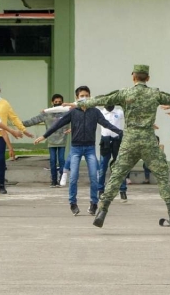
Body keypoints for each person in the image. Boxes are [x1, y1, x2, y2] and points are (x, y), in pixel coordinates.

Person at [67, 65, 170, 228]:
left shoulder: (125, 93)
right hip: (148, 141)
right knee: (162, 175)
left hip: (129, 141)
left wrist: (79, 104)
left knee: (116, 176)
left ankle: (102, 211)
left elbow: (100, 100)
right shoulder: (154, 93)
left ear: (133, 77)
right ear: (148, 78)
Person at [34, 86, 122, 216]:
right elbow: (58, 124)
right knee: (74, 177)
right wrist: (44, 136)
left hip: (90, 148)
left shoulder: (95, 112)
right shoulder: (73, 112)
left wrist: (121, 132)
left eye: (86, 95)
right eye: (81, 96)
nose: (84, 98)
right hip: (76, 148)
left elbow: (106, 124)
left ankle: (93, 203)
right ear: (77, 98)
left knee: (94, 176)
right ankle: (73, 203)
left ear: (90, 96)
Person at [0, 82, 32, 194]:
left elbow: (14, 118)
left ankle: (1, 184)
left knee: (0, 160)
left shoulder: (4, 103)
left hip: (1, 136)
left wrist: (23, 130)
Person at [23, 94, 69, 187]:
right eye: (55, 102)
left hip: (62, 140)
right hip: (51, 140)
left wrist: (71, 129)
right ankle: (53, 180)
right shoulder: (46, 113)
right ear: (52, 102)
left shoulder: (66, 113)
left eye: (59, 102)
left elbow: (77, 121)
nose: (57, 103)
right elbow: (33, 120)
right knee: (52, 160)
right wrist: (18, 123)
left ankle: (61, 180)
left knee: (61, 160)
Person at [98, 105, 128, 201]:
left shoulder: (119, 112)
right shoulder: (101, 112)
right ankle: (101, 190)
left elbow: (131, 117)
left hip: (117, 140)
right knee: (103, 167)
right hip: (105, 140)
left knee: (119, 166)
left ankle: (122, 190)